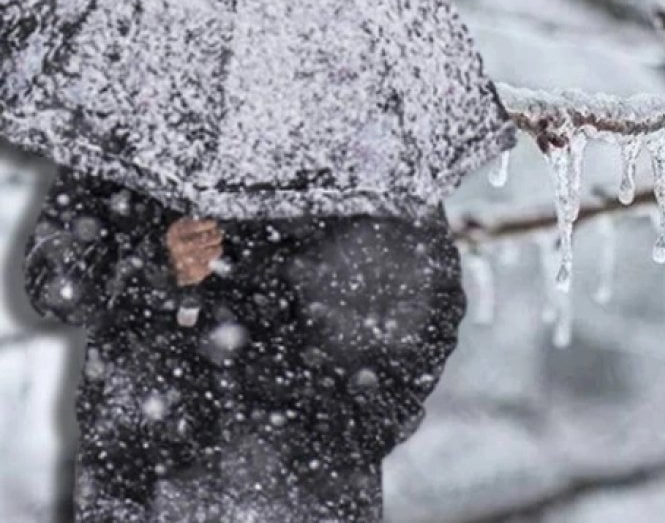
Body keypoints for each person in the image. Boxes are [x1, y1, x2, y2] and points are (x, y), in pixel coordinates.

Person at [23, 167, 467, 522]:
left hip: (309, 485)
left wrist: (358, 429)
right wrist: (155, 263)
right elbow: (55, 283)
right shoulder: (135, 121)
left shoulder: (363, 141)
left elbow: (430, 301)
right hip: (142, 476)